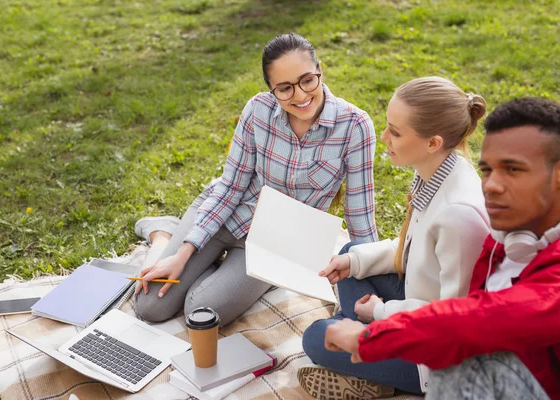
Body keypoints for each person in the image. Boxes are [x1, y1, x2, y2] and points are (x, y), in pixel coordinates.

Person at [323, 97, 560, 400]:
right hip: (450, 327)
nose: (492, 185)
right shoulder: (516, 222)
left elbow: (474, 319)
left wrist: (371, 333)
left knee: (456, 369)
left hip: (518, 375)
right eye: (488, 169)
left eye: (513, 169)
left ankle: (367, 361)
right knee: (353, 258)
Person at [132, 32, 379, 327]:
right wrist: (185, 254)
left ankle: (210, 264)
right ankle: (166, 235)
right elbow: (231, 186)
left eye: (307, 80)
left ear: (319, 70)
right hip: (226, 214)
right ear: (271, 90)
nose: (300, 96)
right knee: (150, 306)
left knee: (200, 312)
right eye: (285, 88)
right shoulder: (258, 111)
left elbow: (360, 215)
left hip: (274, 243)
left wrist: (371, 279)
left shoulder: (355, 126)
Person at [298, 76, 490, 399]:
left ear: (433, 142)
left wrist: (379, 313)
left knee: (317, 337)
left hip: (436, 359)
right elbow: (409, 250)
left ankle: (368, 364)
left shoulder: (459, 216)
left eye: (395, 132)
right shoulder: (437, 168)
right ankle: (361, 348)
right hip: (418, 299)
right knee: (352, 254)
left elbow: (451, 321)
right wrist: (354, 263)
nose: (384, 136)